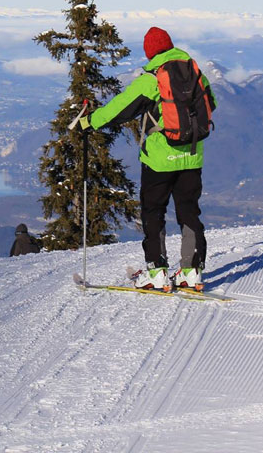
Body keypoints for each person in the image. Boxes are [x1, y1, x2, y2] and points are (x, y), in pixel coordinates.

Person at [79, 27, 217, 291]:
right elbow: (212, 105)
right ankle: (191, 271)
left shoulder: (152, 79)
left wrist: (90, 122)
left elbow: (119, 108)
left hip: (159, 161)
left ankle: (157, 271)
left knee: (154, 212)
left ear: (150, 52)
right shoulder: (196, 73)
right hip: (191, 156)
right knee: (189, 212)